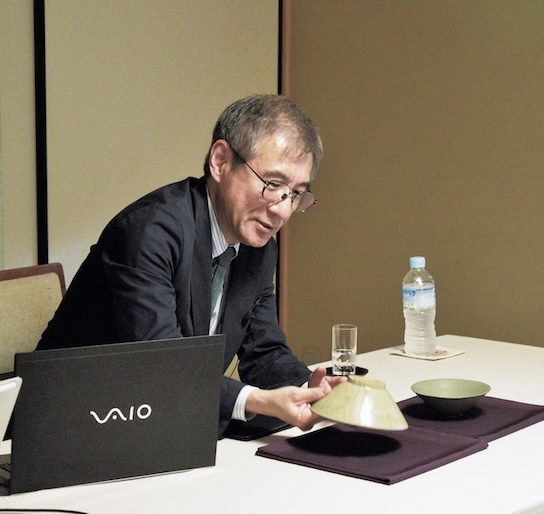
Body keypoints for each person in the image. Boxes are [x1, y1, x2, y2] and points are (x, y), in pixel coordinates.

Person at [37, 94, 346, 436]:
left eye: (296, 193)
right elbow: (162, 362)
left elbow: (264, 351)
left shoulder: (258, 249)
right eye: (273, 185)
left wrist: (311, 389)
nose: (282, 210)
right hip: (76, 427)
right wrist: (254, 400)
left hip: (167, 426)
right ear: (220, 160)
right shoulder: (151, 232)